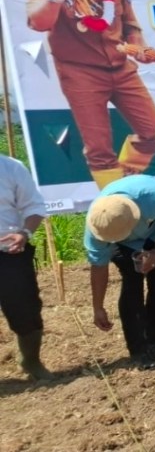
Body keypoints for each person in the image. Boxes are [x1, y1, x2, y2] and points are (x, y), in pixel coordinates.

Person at [27, 0, 155, 190]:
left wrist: (139, 48)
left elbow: (130, 26)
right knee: (99, 150)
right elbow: (38, 22)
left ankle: (125, 179)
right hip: (79, 72)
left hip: (122, 69)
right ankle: (116, 202)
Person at [85, 175, 155, 370]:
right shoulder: (98, 227)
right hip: (125, 248)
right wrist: (98, 307)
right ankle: (138, 351)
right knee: (132, 285)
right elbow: (99, 268)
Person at [0, 155, 54, 380]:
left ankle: (31, 361)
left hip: (9, 251)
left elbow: (34, 206)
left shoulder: (11, 168)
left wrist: (24, 233)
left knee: (25, 309)